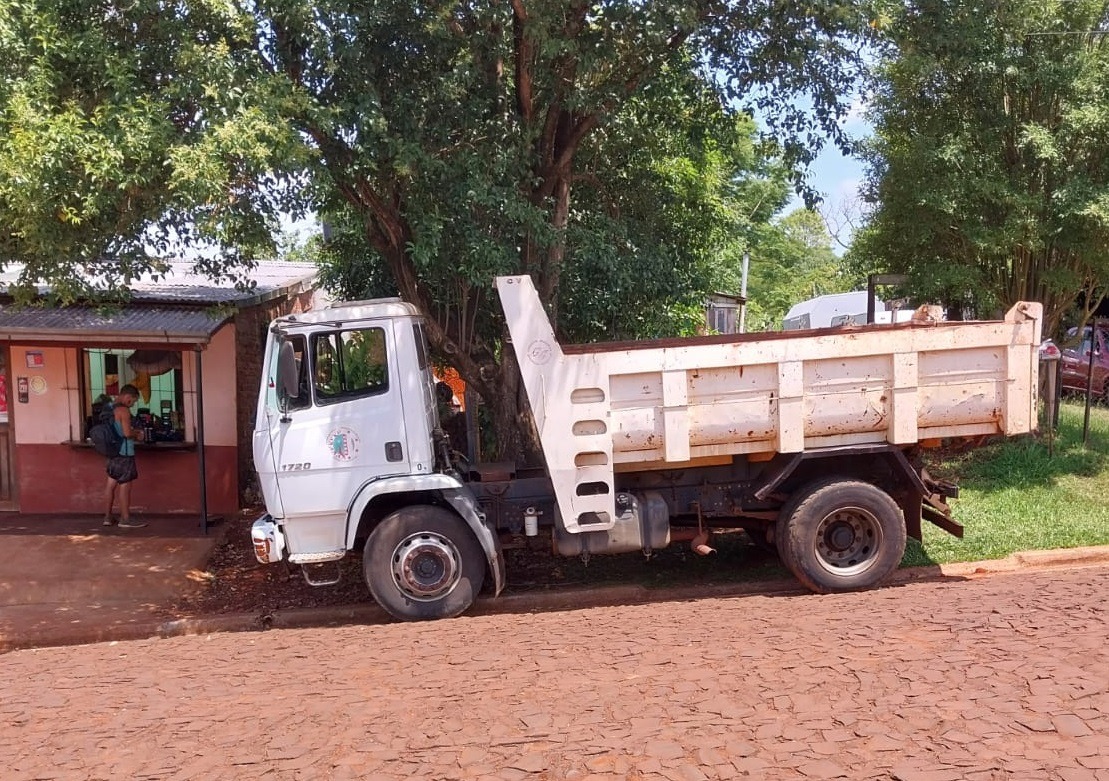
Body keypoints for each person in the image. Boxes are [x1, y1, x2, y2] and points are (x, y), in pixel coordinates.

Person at [102, 384, 146, 528]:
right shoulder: (123, 410)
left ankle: (108, 518)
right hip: (124, 452)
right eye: (133, 401)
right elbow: (127, 433)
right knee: (125, 486)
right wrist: (138, 434)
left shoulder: (108, 408)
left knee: (110, 485)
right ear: (128, 397)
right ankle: (125, 519)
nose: (132, 404)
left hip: (111, 452)